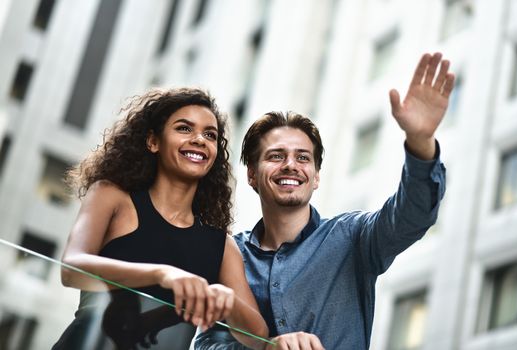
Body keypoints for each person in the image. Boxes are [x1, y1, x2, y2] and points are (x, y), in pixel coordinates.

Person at [195, 52, 455, 349]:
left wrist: (420, 143)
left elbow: (412, 216)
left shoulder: (353, 237)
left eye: (302, 158)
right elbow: (205, 345)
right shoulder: (229, 256)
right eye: (276, 156)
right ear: (252, 175)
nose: (290, 165)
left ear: (316, 177)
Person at [53, 88, 269, 349]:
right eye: (184, 128)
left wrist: (228, 300)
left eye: (210, 135)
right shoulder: (112, 195)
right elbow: (72, 268)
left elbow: (258, 336)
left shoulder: (221, 245)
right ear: (153, 141)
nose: (199, 139)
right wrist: (161, 274)